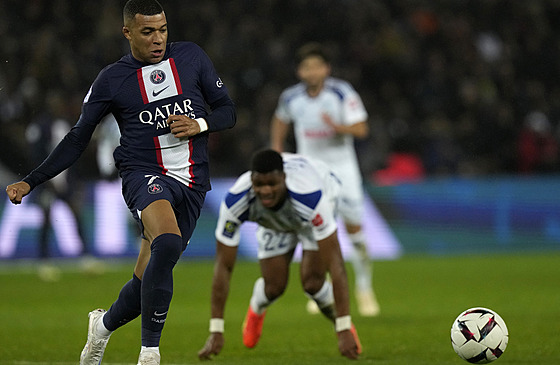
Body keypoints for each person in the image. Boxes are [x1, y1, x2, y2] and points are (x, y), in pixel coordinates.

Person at [5, 1, 236, 364]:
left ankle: (101, 328)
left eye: (162, 30)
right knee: (168, 240)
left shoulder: (191, 57)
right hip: (143, 173)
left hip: (193, 180)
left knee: (146, 282)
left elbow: (227, 110)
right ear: (127, 32)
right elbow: (78, 138)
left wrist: (201, 124)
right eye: (148, 32)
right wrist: (31, 181)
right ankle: (149, 354)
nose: (158, 39)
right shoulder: (112, 79)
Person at [198, 149, 362, 361]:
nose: (265, 190)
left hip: (312, 213)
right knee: (274, 287)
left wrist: (343, 328)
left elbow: (336, 264)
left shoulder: (311, 198)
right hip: (273, 220)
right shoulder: (235, 201)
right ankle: (257, 308)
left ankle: (342, 323)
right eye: (259, 185)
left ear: (283, 178)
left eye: (272, 184)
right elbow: (223, 265)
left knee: (313, 282)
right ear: (251, 180)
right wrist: (216, 330)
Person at [270, 42, 379, 317]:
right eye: (307, 67)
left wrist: (338, 127)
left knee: (355, 232)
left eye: (317, 65)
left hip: (344, 171)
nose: (312, 71)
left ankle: (364, 288)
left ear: (326, 69)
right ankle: (323, 288)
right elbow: (280, 119)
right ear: (300, 71)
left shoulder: (342, 93)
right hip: (312, 172)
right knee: (317, 231)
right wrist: (277, 148)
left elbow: (362, 128)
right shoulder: (291, 97)